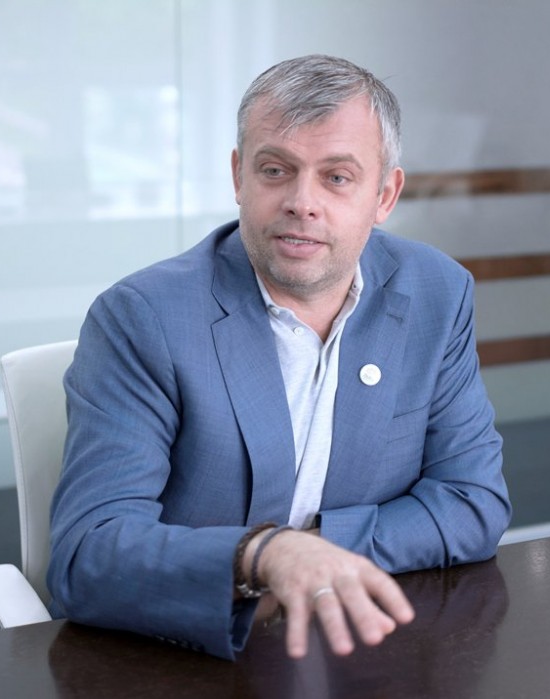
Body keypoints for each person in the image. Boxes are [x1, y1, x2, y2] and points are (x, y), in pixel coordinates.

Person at [48, 54, 511, 661]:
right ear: (239, 177)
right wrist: (261, 557)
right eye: (275, 170)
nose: (302, 201)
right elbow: (87, 555)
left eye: (337, 177)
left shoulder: (436, 292)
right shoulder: (143, 317)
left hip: (362, 646)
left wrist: (315, 551)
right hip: (183, 657)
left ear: (384, 195)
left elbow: (473, 502)